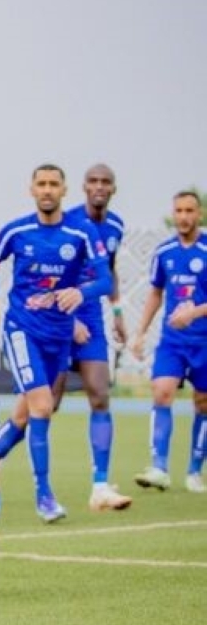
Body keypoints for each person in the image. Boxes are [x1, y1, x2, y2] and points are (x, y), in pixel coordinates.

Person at [0, 164, 132, 511]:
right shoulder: (19, 231)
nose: (47, 190)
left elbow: (105, 278)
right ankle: (43, 495)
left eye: (53, 184)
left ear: (64, 189)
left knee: (92, 396)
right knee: (43, 406)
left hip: (66, 324)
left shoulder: (93, 231)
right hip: (28, 329)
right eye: (41, 183)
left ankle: (99, 485)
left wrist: (95, 302)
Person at [130, 190, 207, 494]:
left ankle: (194, 471)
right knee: (161, 392)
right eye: (179, 210)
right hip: (172, 342)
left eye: (190, 210)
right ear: (173, 214)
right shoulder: (163, 252)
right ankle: (159, 466)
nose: (184, 216)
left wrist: (195, 312)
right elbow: (155, 294)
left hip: (204, 341)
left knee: (202, 403)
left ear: (199, 213)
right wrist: (140, 333)